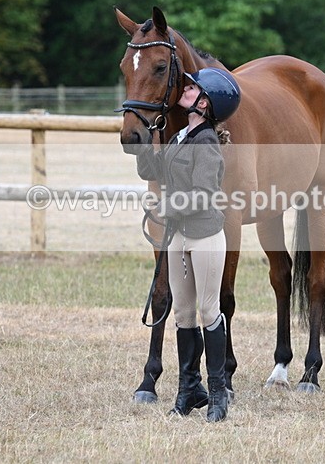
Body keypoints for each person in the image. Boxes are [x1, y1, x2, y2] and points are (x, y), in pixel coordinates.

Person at [136, 67, 240, 422]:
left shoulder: (206, 142)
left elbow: (204, 195)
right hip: (179, 236)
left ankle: (217, 393)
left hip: (204, 235)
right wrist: (146, 138)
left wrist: (165, 207)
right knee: (182, 313)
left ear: (204, 103)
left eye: (193, 88)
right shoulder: (181, 135)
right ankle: (189, 389)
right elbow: (150, 171)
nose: (186, 88)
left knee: (209, 311)